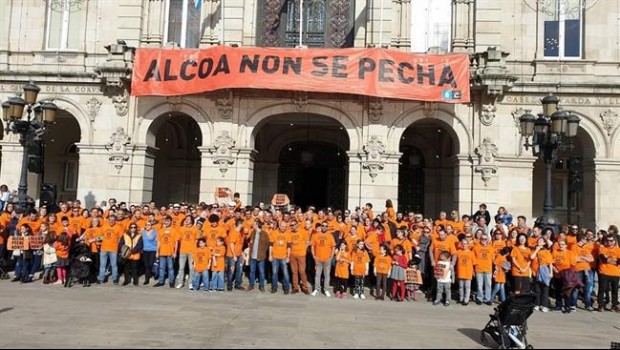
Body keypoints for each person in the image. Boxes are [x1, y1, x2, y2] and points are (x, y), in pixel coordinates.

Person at [311, 222, 336, 297]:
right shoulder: (315, 235)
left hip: (327, 259)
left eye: (326, 226)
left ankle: (326, 290)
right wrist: (314, 256)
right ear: (321, 226)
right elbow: (312, 246)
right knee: (317, 275)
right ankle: (316, 289)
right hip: (318, 259)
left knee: (327, 275)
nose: (324, 227)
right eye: (323, 226)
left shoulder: (330, 236)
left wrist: (331, 256)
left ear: (327, 227)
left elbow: (333, 247)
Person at [596, 233, 620, 312]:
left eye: (611, 241)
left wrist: (610, 260)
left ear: (614, 241)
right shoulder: (602, 248)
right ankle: (601, 305)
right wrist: (614, 261)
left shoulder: (618, 249)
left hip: (615, 273)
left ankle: (614, 305)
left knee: (615, 291)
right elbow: (604, 259)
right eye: (607, 240)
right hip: (604, 272)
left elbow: (619, 261)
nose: (609, 242)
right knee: (602, 289)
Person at [268, 221, 292, 294]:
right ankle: (274, 287)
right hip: (275, 256)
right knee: (274, 273)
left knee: (285, 273)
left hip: (284, 256)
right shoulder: (274, 233)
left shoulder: (288, 234)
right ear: (279, 226)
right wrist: (270, 255)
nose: (284, 228)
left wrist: (288, 257)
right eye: (282, 226)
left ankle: (286, 288)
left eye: (285, 227)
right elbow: (271, 245)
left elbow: (288, 247)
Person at [153, 216, 177, 288]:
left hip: (170, 252)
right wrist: (157, 252)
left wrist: (175, 252)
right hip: (162, 252)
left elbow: (176, 242)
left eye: (168, 221)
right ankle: (161, 281)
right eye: (165, 221)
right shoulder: (161, 230)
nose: (167, 222)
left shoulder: (174, 230)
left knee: (170, 268)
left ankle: (171, 282)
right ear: (164, 222)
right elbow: (158, 242)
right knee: (161, 267)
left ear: (171, 222)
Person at [574, 233, 595, 311]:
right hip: (577, 270)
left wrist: (582, 257)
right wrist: (585, 258)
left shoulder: (586, 248)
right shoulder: (574, 247)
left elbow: (591, 259)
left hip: (587, 270)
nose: (587, 241)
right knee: (576, 288)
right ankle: (574, 304)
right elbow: (575, 259)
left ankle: (587, 305)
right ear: (582, 240)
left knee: (587, 288)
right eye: (585, 239)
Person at [176, 216, 198, 290]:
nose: (187, 220)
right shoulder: (181, 228)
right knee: (181, 267)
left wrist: (195, 250)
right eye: (186, 219)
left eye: (188, 219)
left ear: (192, 220)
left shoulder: (195, 228)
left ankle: (191, 283)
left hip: (192, 251)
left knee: (191, 268)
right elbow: (178, 239)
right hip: (183, 250)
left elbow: (197, 240)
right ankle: (180, 282)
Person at [530, 237, 552, 312]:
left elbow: (550, 263)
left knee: (545, 289)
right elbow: (532, 257)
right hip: (535, 272)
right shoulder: (534, 250)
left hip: (544, 273)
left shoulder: (546, 251)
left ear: (544, 243)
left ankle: (544, 305)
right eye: (538, 240)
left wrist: (551, 272)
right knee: (537, 290)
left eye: (541, 241)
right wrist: (537, 249)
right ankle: (537, 304)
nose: (539, 241)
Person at [248, 220, 270, 292]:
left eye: (254, 224)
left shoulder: (264, 234)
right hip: (253, 255)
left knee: (261, 272)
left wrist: (263, 252)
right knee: (252, 271)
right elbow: (250, 242)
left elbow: (267, 244)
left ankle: (262, 286)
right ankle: (251, 285)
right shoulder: (252, 233)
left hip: (261, 256)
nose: (253, 225)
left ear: (257, 225)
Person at [289, 219, 310, 294]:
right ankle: (295, 287)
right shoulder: (289, 233)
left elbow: (308, 242)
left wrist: (304, 250)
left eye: (293, 225)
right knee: (294, 272)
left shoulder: (303, 232)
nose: (291, 227)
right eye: (290, 225)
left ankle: (305, 287)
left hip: (301, 255)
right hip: (292, 255)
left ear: (297, 225)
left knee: (302, 271)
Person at [473, 234, 495, 305]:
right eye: (482, 239)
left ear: (488, 240)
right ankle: (479, 298)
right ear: (480, 239)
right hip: (479, 269)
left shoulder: (491, 248)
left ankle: (487, 299)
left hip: (488, 269)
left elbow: (493, 259)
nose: (484, 240)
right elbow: (473, 259)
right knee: (479, 285)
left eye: (485, 239)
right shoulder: (475, 247)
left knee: (488, 284)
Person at [456, 238, 476, 306]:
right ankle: (461, 298)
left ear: (468, 244)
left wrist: (473, 272)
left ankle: (466, 299)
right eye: (462, 243)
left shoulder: (471, 253)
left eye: (465, 244)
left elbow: (474, 263)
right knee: (461, 286)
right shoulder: (458, 251)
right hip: (460, 272)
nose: (464, 245)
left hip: (468, 272)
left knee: (467, 287)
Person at [141, 221, 158, 285]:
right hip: (145, 250)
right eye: (146, 225)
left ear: (151, 226)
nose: (147, 226)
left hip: (153, 250)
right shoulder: (143, 232)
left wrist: (158, 251)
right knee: (146, 265)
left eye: (149, 225)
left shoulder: (155, 233)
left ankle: (153, 273)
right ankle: (146, 279)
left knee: (151, 264)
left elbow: (157, 242)